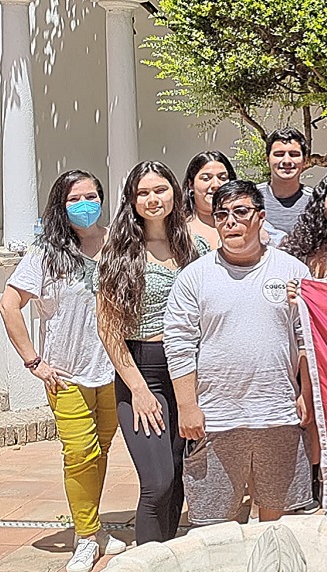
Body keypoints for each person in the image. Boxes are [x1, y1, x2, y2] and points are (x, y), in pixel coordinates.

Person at [164, 180, 316, 526]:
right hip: (217, 417)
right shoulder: (194, 277)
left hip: (277, 413)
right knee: (216, 523)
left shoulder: (293, 271)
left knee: (277, 520)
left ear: (260, 217)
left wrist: (306, 394)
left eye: (241, 212)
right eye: (222, 215)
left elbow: (305, 337)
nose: (230, 221)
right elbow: (179, 344)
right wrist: (188, 406)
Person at [0, 170, 125, 572]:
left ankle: (93, 526)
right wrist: (34, 362)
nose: (85, 204)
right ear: (60, 204)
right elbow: (8, 305)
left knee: (100, 452)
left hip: (113, 370)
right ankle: (86, 537)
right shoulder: (45, 253)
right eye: (75, 199)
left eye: (91, 196)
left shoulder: (117, 243)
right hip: (66, 373)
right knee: (79, 453)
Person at [97, 161, 209, 544]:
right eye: (143, 192)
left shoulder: (198, 247)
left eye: (160, 189)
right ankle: (143, 566)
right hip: (142, 372)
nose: (152, 199)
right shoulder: (119, 253)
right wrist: (141, 391)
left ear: (175, 192)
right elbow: (108, 330)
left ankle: (166, 564)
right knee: (157, 481)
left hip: (188, 373)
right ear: (132, 200)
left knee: (178, 476)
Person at [256, 128, 313, 246]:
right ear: (267, 159)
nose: (287, 160)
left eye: (294, 154)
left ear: (305, 161)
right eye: (279, 154)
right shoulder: (251, 198)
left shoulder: (315, 201)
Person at [183, 151, 236, 250]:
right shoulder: (180, 230)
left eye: (222, 178)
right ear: (191, 184)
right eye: (206, 178)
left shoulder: (245, 222)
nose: (216, 185)